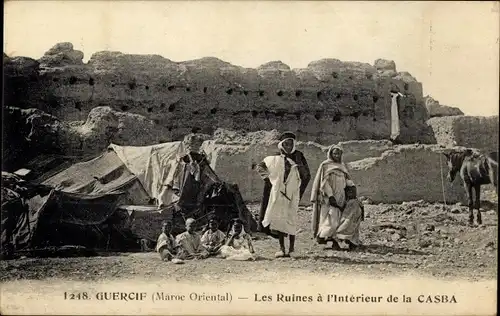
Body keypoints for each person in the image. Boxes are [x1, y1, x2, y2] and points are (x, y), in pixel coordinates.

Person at [255, 131, 311, 258]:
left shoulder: (298, 156)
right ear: (281, 145)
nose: (288, 147)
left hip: (292, 192)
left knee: (291, 219)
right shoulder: (275, 158)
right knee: (279, 220)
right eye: (286, 144)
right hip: (279, 192)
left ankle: (291, 249)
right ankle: (281, 249)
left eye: (291, 144)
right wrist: (268, 179)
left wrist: (299, 188)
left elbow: (306, 175)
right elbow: (260, 167)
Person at [310, 144, 358, 250]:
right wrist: (331, 196)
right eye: (335, 153)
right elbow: (324, 183)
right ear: (331, 154)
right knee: (331, 219)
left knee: (340, 219)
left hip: (341, 196)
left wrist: (352, 186)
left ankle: (336, 241)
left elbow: (347, 179)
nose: (337, 155)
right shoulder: (325, 165)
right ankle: (325, 238)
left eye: (339, 153)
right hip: (328, 197)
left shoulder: (342, 166)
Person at [336, 184, 364, 250]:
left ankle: (350, 243)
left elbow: (350, 212)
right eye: (350, 192)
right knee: (351, 231)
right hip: (352, 219)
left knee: (348, 230)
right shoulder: (353, 201)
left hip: (351, 219)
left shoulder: (354, 202)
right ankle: (351, 243)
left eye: (354, 192)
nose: (353, 193)